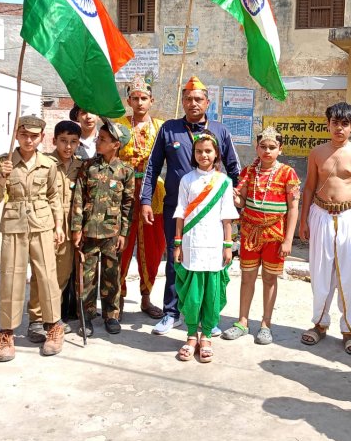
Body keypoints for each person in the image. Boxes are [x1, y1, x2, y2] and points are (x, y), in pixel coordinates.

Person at [141, 76, 240, 335]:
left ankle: (208, 317)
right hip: (178, 209)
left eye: (198, 99)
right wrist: (145, 200)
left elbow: (234, 167)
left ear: (207, 102)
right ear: (182, 101)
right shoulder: (169, 129)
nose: (192, 103)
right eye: (187, 98)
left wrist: (237, 195)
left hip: (212, 213)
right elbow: (152, 166)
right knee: (176, 259)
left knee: (210, 261)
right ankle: (171, 312)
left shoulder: (221, 131)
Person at [298, 102, 351, 355]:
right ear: (328, 124)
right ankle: (320, 324)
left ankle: (349, 330)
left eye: (345, 124)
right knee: (320, 271)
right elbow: (309, 188)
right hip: (321, 215)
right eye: (335, 123)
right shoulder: (317, 153)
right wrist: (304, 220)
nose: (339, 128)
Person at [0, 115, 66, 362]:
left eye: (34, 136)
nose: (29, 140)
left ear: (42, 137)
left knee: (46, 276)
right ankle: (7, 332)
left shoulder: (48, 163)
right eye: (24, 135)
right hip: (14, 223)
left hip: (42, 223)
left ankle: (53, 326)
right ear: (17, 135)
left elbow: (54, 195)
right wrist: (2, 177)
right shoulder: (4, 161)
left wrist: (59, 225)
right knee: (11, 277)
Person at [221, 126, 300, 345]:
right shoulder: (247, 172)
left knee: (269, 278)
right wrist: (237, 200)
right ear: (257, 148)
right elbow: (242, 202)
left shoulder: (288, 173)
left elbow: (293, 209)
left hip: (275, 234)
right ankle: (242, 322)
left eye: (272, 147)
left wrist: (288, 240)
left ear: (280, 149)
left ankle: (266, 324)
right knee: (247, 277)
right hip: (249, 232)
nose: (267, 151)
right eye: (263, 147)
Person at [172, 131, 239, 362]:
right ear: (193, 153)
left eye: (208, 151)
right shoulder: (186, 180)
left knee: (211, 293)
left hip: (214, 245)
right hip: (191, 244)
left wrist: (228, 246)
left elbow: (227, 216)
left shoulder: (224, 182)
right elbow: (180, 213)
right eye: (199, 151)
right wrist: (178, 244)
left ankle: (207, 335)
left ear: (217, 153)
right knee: (191, 294)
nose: (204, 155)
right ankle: (191, 335)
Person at [71, 119, 134, 337]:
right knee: (87, 277)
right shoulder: (88, 167)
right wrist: (76, 229)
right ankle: (86, 316)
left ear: (116, 144)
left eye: (104, 139)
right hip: (89, 231)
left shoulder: (125, 171)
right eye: (99, 137)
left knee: (111, 276)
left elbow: (128, 205)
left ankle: (111, 315)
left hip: (112, 233)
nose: (98, 141)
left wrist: (124, 233)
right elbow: (78, 198)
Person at [26, 120, 82, 342]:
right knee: (41, 275)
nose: (68, 147)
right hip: (45, 226)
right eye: (63, 141)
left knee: (61, 274)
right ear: (54, 140)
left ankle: (53, 318)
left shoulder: (80, 166)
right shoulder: (44, 163)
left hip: (69, 228)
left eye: (73, 142)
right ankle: (36, 320)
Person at [115, 76, 166, 320]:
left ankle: (146, 298)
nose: (139, 102)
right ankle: (118, 297)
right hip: (123, 193)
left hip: (153, 193)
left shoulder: (161, 127)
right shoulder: (118, 126)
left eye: (144, 98)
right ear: (128, 100)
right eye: (134, 98)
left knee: (153, 248)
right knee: (121, 246)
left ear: (151, 100)